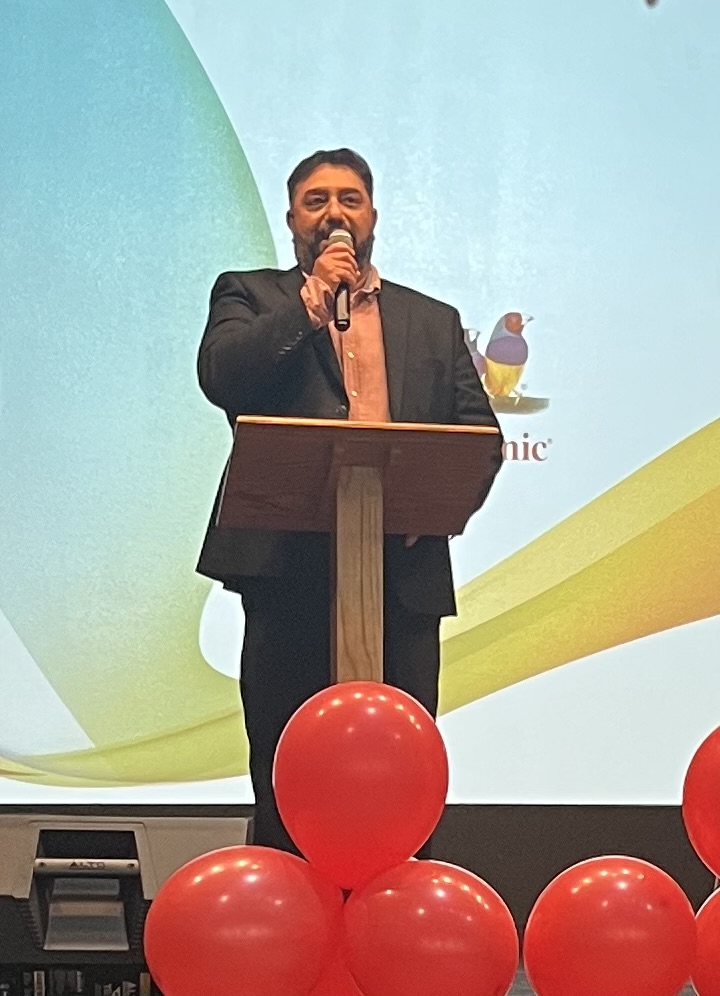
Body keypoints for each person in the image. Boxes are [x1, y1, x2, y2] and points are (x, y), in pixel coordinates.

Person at [196, 148, 504, 854]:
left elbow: (480, 438)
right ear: (291, 220)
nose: (334, 212)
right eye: (316, 200)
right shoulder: (249, 296)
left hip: (402, 578)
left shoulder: (432, 320)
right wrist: (310, 303)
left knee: (400, 775)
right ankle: (291, 911)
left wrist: (432, 505)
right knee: (288, 768)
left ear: (372, 217)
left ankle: (393, 912)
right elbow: (224, 376)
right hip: (287, 573)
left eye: (349, 199)